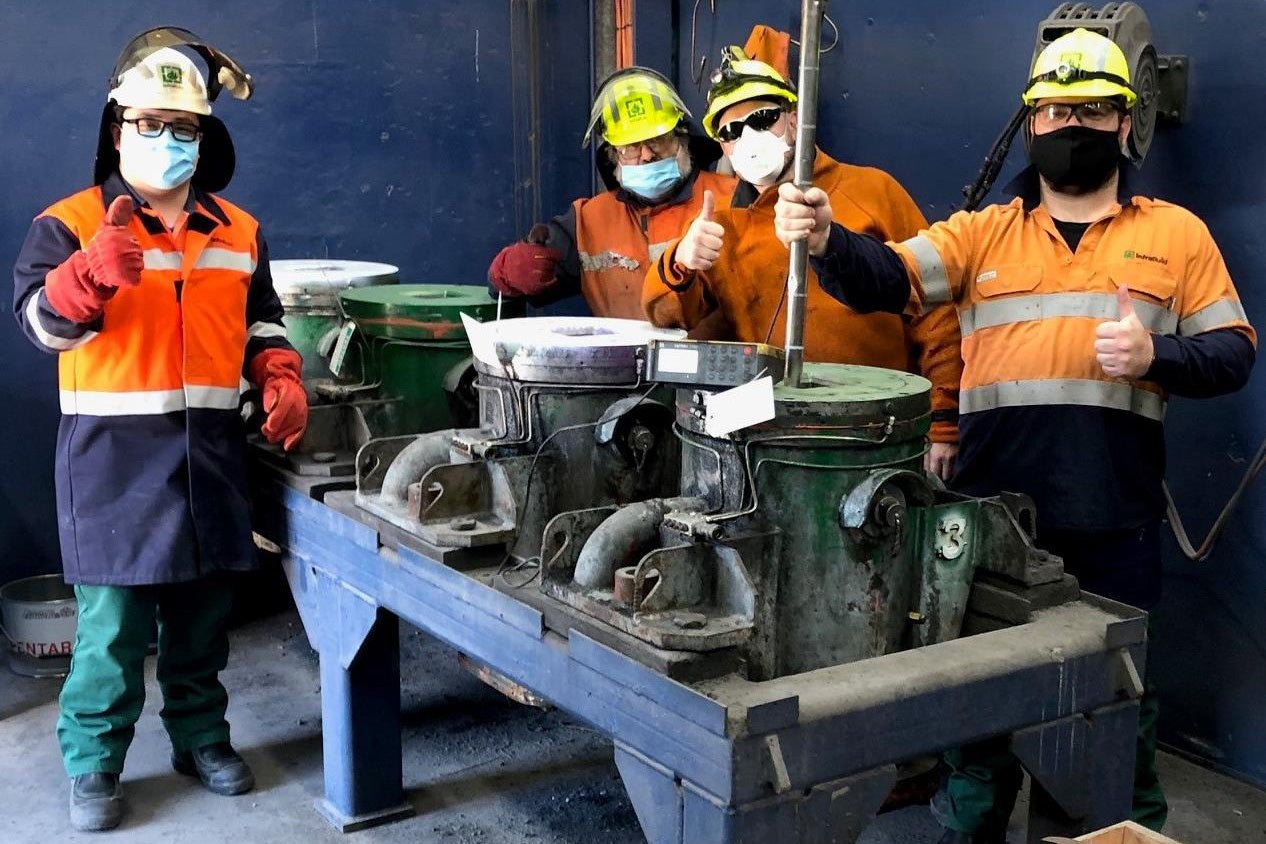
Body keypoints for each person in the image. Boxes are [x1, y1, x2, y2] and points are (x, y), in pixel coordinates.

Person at [773, 28, 1255, 842]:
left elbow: (1234, 353)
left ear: (1125, 124)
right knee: (978, 717)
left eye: (1095, 109)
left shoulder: (1176, 234)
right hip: (993, 524)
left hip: (1115, 522)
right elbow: (887, 277)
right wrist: (824, 239)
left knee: (1112, 709)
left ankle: (1103, 830)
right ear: (1031, 122)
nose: (1076, 124)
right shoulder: (981, 233)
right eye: (1058, 108)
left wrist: (1157, 353)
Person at [12, 31, 308, 832]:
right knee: (109, 637)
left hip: (208, 458)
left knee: (202, 623)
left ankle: (201, 738)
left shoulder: (238, 231)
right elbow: (41, 326)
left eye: (186, 128)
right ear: (117, 127)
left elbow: (262, 322)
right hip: (111, 465)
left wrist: (279, 374)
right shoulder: (70, 224)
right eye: (152, 123)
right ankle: (93, 763)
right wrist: (85, 279)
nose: (170, 141)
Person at [642, 48, 963, 477]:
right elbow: (663, 314)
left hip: (876, 436)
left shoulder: (873, 191)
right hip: (772, 444)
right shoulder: (719, 223)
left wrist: (943, 425)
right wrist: (680, 260)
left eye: (762, 119)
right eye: (732, 130)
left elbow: (936, 315)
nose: (748, 138)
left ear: (794, 117)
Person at [488, 66, 736, 334]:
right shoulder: (588, 221)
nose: (646, 155)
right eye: (631, 147)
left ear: (683, 139)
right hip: (624, 370)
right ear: (612, 155)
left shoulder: (733, 199)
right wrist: (506, 272)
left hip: (720, 371)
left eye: (658, 140)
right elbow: (508, 285)